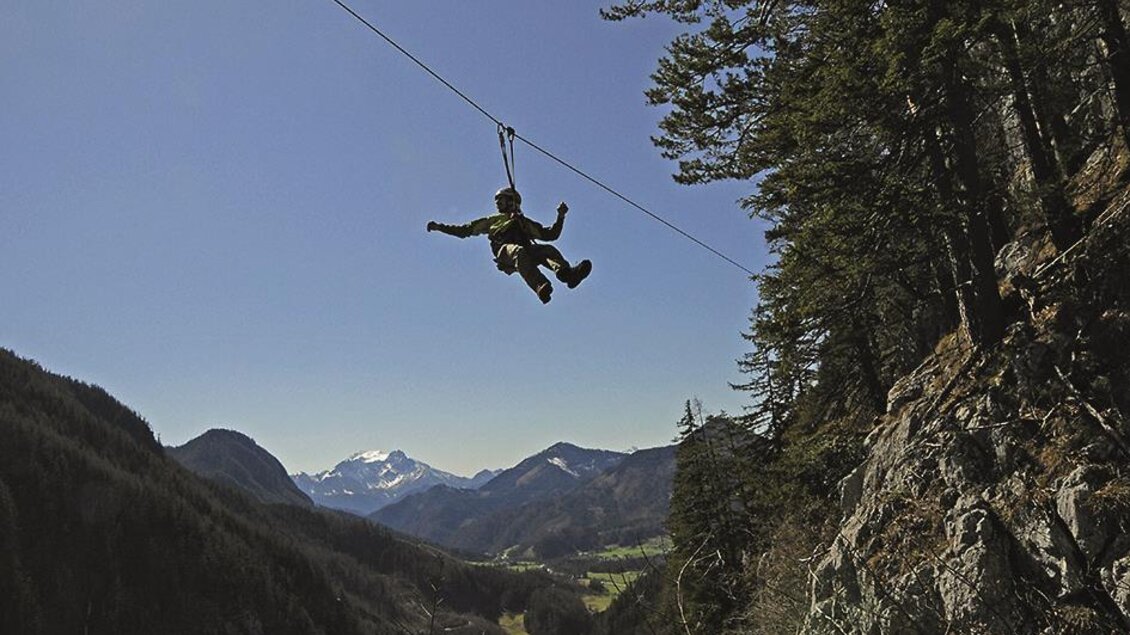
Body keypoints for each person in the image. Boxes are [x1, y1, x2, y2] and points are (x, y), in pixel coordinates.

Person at [426, 187, 592, 304]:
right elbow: (464, 230)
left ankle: (567, 274)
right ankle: (540, 285)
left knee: (547, 250)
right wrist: (440, 227)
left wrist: (560, 217)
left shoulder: (523, 222)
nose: (497, 202)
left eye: (501, 199)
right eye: (496, 200)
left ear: (512, 201)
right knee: (518, 251)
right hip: (505, 252)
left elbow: (550, 235)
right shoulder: (492, 220)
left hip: (527, 253)